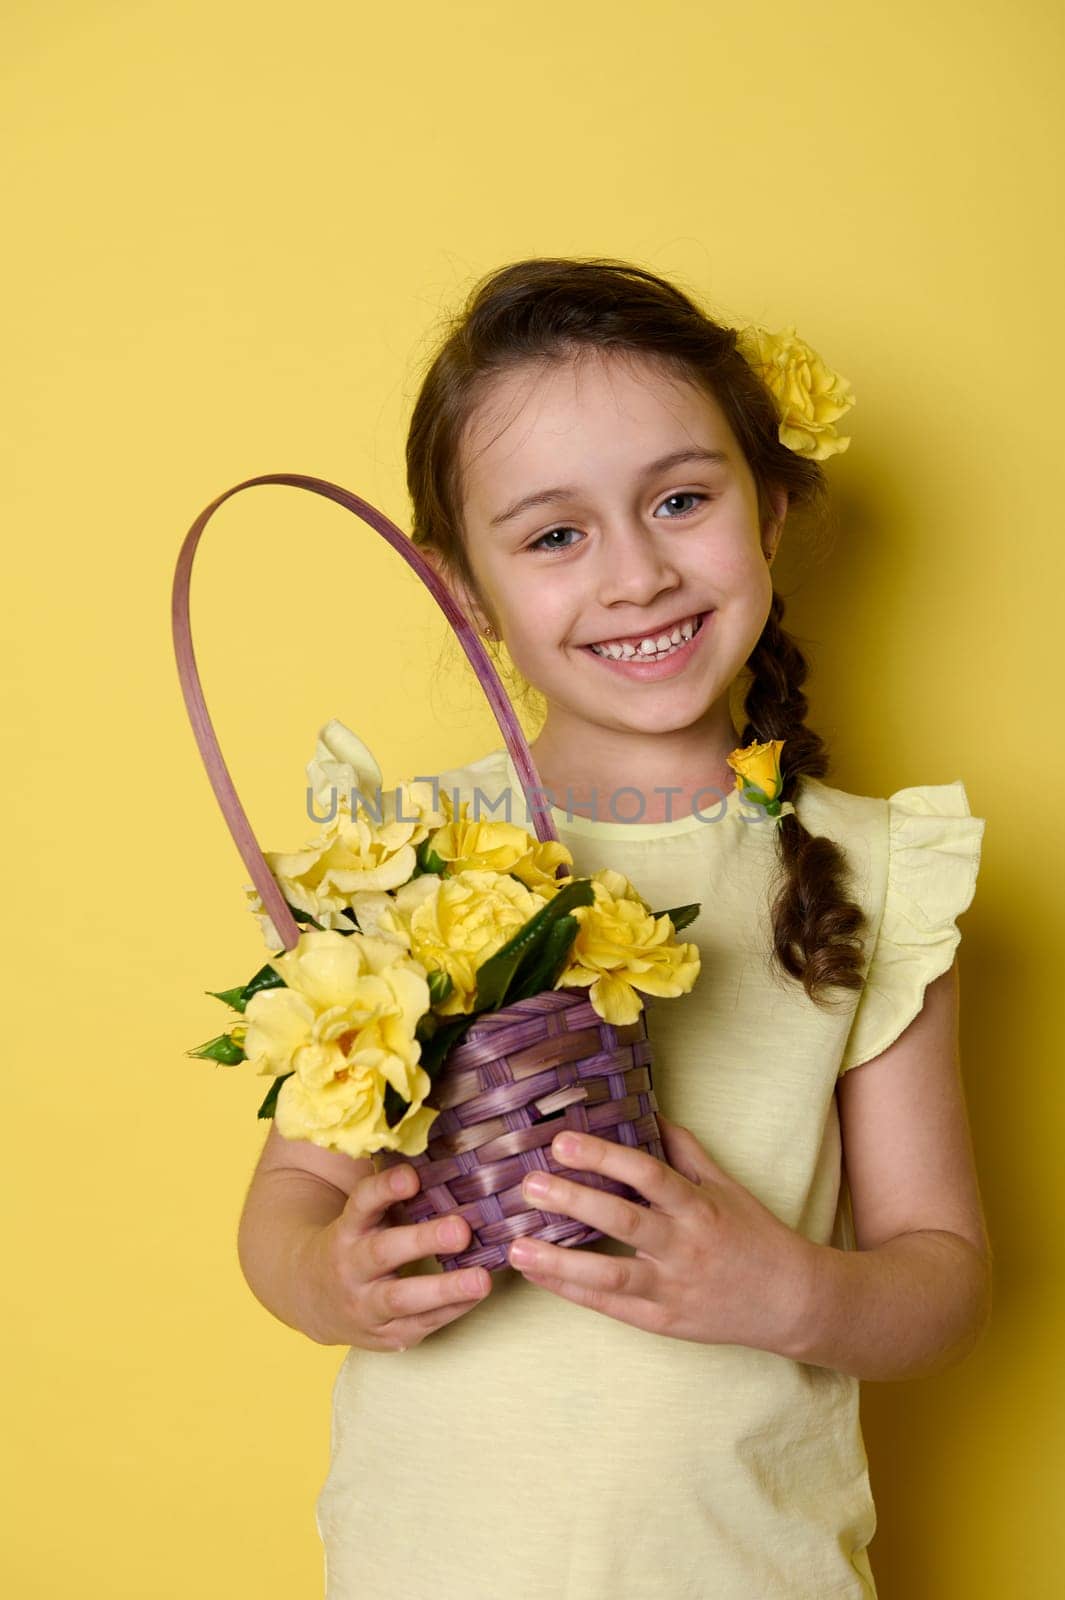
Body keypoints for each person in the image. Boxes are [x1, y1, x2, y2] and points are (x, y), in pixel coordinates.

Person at [236, 257, 990, 1599]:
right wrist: (328, 1277)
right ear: (459, 577)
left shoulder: (878, 872)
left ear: (766, 506)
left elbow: (941, 1275)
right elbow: (288, 1201)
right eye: (552, 534)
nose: (636, 574)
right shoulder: (402, 861)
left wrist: (789, 1297)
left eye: (680, 501)